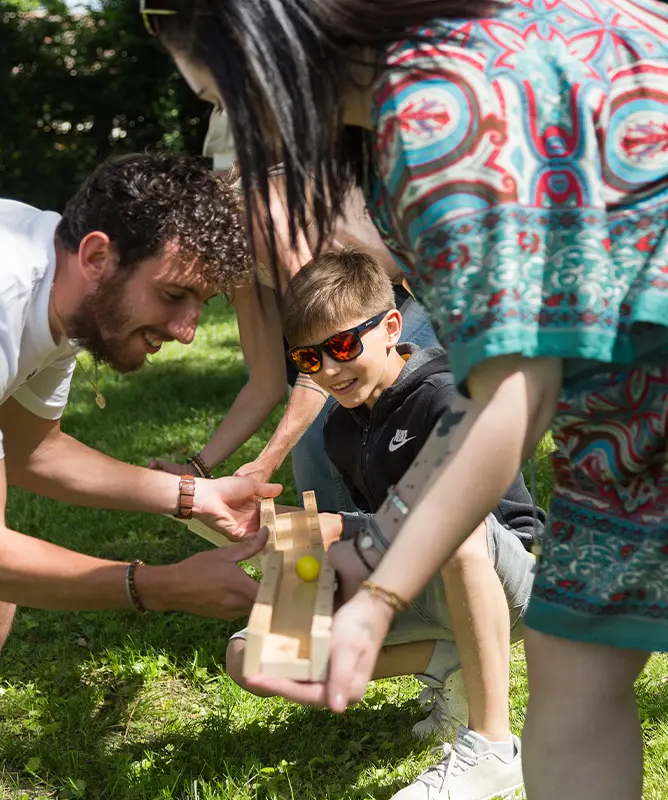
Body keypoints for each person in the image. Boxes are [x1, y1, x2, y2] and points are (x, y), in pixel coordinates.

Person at [143, 2, 668, 799]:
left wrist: (379, 590)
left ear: (264, 58)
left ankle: (485, 737)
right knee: (571, 675)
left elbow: (508, 399)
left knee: (572, 682)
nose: (236, 133)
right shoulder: (409, 125)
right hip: (624, 409)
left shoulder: (431, 113)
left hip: (630, 391)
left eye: (220, 98)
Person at [0, 151, 281, 799]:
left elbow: (29, 449)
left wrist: (192, 494)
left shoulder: (65, 294)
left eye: (200, 303)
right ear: (97, 256)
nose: (187, 330)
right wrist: (160, 585)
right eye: (174, 296)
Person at [227, 250, 542, 799]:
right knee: (253, 656)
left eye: (343, 345)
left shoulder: (448, 394)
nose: (329, 369)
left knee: (451, 523)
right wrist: (288, 537)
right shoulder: (340, 431)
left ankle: (493, 747)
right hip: (417, 584)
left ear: (392, 327)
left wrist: (335, 528)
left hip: (508, 581)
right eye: (308, 357)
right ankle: (446, 663)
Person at [149, 110, 438, 513]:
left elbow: (327, 337)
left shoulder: (259, 217)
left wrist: (267, 461)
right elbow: (265, 384)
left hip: (435, 267)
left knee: (325, 426)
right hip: (369, 288)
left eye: (181, 291)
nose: (189, 318)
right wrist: (197, 467)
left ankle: (365, 539)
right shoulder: (229, 255)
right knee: (325, 427)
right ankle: (344, 545)